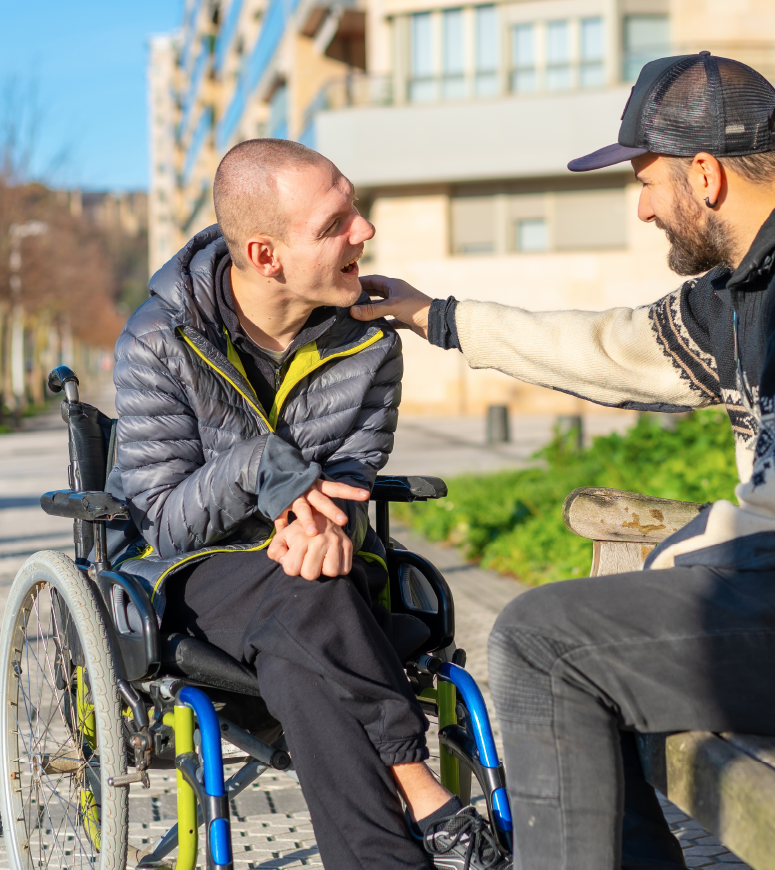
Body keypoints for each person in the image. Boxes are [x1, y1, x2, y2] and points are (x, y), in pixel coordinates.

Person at [351, 53, 775, 870]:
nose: (642, 208)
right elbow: (611, 348)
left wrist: (669, 559)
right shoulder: (756, 279)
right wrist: (438, 316)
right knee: (586, 639)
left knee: (541, 639)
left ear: (704, 174)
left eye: (647, 179)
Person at [108, 138, 512, 870]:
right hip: (202, 573)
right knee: (308, 599)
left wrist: (328, 522)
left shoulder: (368, 342)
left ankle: (409, 818)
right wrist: (266, 468)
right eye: (335, 225)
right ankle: (418, 784)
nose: (365, 231)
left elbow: (358, 467)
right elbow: (162, 519)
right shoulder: (157, 339)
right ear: (266, 255)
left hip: (331, 564)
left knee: (308, 616)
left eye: (354, 209)